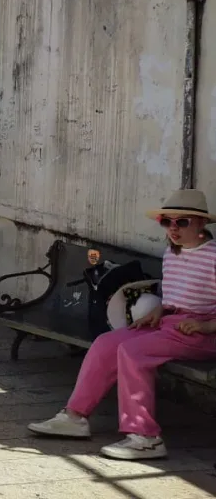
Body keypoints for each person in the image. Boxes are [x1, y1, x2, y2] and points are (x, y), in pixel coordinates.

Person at [28, 189, 216, 460]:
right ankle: (75, 417)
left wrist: (206, 327)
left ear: (201, 224)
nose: (173, 229)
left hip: (200, 332)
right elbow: (176, 294)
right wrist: (159, 310)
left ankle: (146, 437)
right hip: (170, 323)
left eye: (182, 222)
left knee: (134, 353)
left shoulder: (212, 257)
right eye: (167, 222)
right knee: (106, 343)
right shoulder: (172, 253)